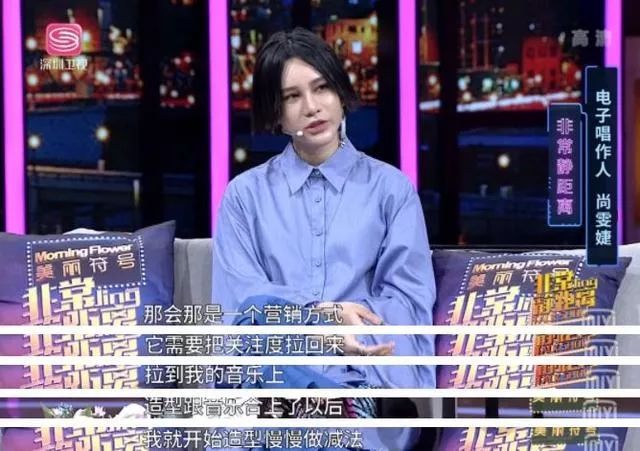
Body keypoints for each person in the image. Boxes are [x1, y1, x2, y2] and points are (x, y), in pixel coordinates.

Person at [212, 27, 436, 448]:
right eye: (292, 97)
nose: (312, 107)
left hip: (365, 378)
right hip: (275, 380)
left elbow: (408, 304)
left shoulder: (391, 190)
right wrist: (319, 320)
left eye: (322, 88)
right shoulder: (244, 197)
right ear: (276, 113)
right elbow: (239, 309)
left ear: (340, 93)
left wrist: (351, 336)